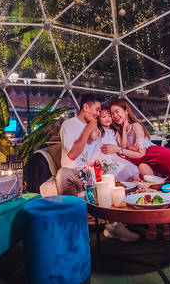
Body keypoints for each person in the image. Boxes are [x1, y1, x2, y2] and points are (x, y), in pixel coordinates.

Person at [102, 98, 170, 240]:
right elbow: (125, 149)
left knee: (149, 174)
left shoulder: (136, 126)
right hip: (140, 162)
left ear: (126, 111)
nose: (114, 116)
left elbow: (140, 153)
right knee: (144, 172)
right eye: (112, 113)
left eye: (117, 111)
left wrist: (121, 149)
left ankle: (162, 222)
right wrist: (124, 132)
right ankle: (154, 222)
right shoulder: (118, 131)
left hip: (153, 157)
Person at [56, 94, 139, 242]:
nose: (98, 113)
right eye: (97, 109)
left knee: (124, 176)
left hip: (93, 171)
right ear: (86, 107)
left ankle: (114, 226)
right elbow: (73, 154)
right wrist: (88, 127)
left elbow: (99, 141)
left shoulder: (95, 125)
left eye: (100, 110)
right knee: (63, 174)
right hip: (75, 171)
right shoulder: (69, 125)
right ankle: (75, 232)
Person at [89, 106, 139, 182]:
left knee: (130, 170)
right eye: (103, 117)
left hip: (114, 156)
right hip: (102, 157)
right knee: (109, 177)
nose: (107, 118)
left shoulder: (114, 131)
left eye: (109, 116)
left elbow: (123, 146)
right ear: (98, 119)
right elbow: (93, 136)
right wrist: (93, 123)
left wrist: (124, 130)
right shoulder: (99, 130)